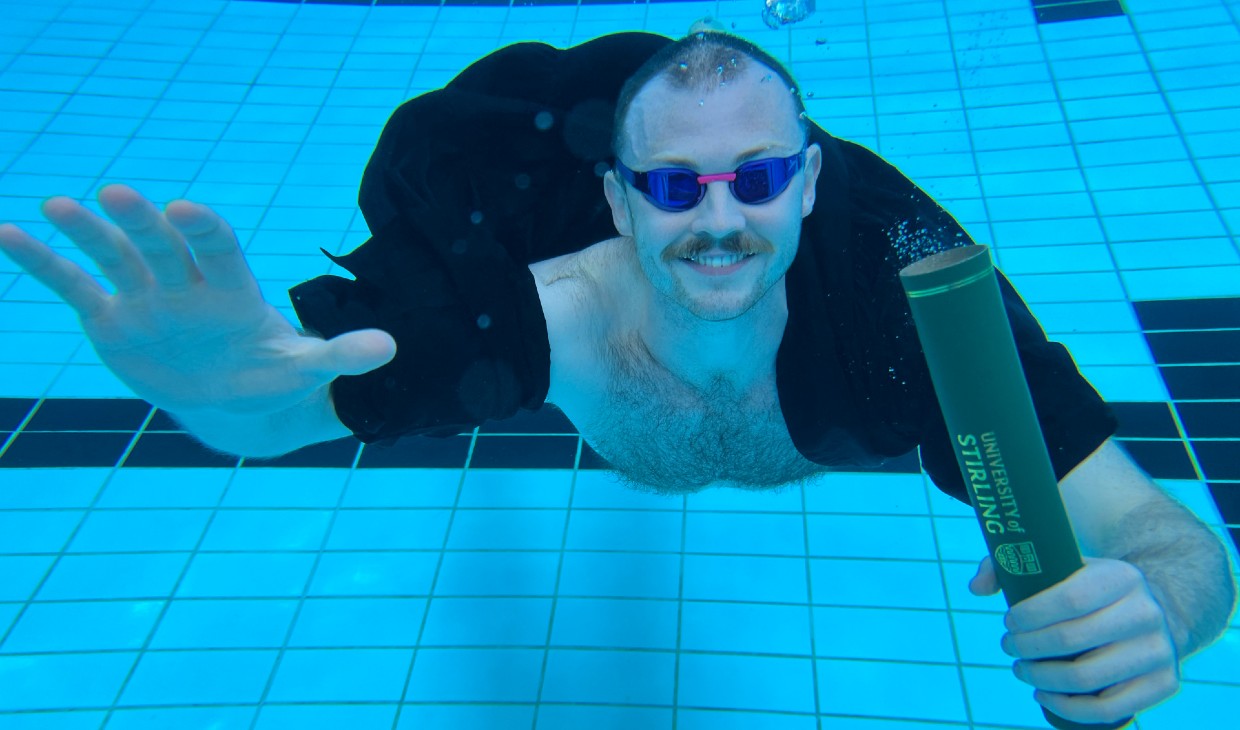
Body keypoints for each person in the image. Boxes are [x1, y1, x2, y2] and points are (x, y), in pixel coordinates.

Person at [0, 24, 1232, 726]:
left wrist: (1158, 609)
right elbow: (271, 427)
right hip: (501, 158)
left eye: (757, 178)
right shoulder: (541, 310)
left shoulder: (913, 307)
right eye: (672, 187)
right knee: (452, 180)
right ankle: (591, 123)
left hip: (692, 190)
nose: (717, 221)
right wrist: (215, 398)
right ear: (620, 200)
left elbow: (1167, 537)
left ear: (808, 180)